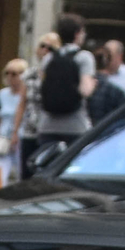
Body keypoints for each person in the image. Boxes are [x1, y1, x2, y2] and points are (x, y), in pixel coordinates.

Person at [34, 12, 97, 155]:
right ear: (77, 34)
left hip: (47, 125)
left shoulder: (49, 58)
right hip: (75, 126)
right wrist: (92, 84)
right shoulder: (84, 57)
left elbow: (41, 87)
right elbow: (85, 90)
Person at [0, 56, 28, 186]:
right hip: (3, 139)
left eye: (14, 74)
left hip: (22, 137)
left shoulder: (27, 95)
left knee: (22, 175)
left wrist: (16, 133)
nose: (10, 77)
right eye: (7, 73)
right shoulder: (2, 94)